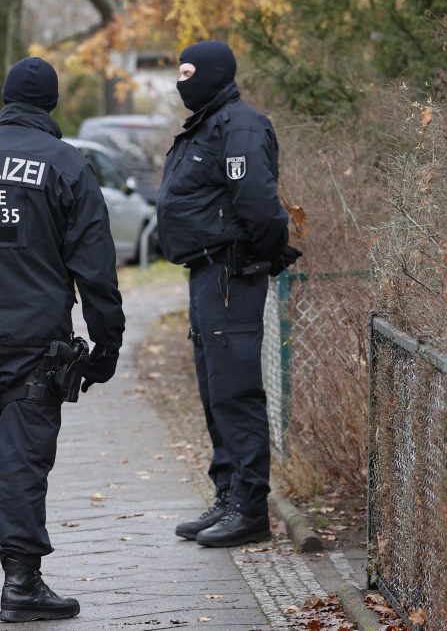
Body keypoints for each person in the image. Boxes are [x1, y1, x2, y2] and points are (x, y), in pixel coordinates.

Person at [0, 57, 125, 622]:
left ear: (4, 98)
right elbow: (96, 267)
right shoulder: (67, 164)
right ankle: (21, 584)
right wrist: (106, 346)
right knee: (22, 461)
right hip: (35, 345)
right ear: (52, 104)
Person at [157, 40, 300, 548]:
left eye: (189, 71)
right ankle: (227, 492)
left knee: (235, 390)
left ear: (214, 74)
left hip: (230, 273)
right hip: (207, 274)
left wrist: (268, 250)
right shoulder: (208, 124)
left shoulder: (238, 125)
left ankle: (249, 507)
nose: (181, 81)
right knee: (215, 388)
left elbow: (259, 205)